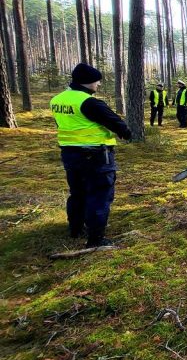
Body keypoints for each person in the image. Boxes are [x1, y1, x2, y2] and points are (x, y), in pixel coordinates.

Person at [50, 63, 132, 248]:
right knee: (99, 195)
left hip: (70, 154)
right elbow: (116, 123)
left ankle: (76, 229)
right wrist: (126, 133)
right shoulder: (89, 102)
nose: (98, 85)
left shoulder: (57, 99)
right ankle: (96, 239)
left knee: (77, 192)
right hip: (95, 156)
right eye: (97, 81)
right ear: (88, 82)